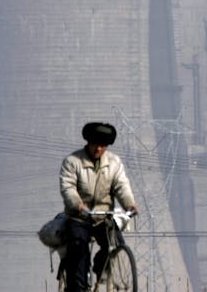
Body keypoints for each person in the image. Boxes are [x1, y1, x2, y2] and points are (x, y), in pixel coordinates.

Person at [59, 121, 139, 291]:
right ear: (88, 142)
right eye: (95, 144)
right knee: (79, 250)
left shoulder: (114, 162)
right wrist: (78, 205)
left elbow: (121, 186)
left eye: (103, 146)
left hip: (103, 216)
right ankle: (78, 287)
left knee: (115, 242)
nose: (98, 149)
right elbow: (68, 188)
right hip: (79, 217)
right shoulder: (73, 162)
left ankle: (100, 266)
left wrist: (130, 205)